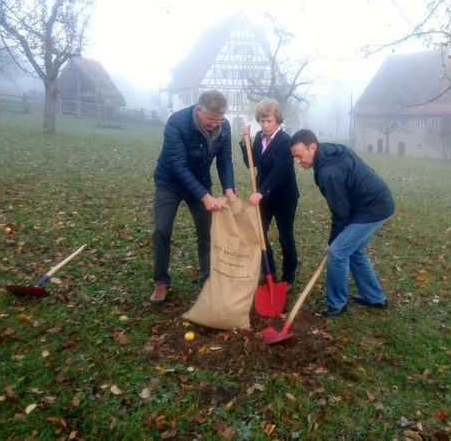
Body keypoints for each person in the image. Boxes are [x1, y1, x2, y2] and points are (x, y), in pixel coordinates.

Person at [289, 129, 395, 316]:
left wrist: (332, 243)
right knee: (354, 251)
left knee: (338, 253)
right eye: (294, 157)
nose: (297, 162)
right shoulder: (329, 151)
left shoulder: (329, 172)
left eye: (299, 156)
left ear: (312, 147)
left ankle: (337, 303)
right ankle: (375, 297)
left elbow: (340, 212)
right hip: (371, 202)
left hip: (372, 208)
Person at [150, 90, 237, 304]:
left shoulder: (223, 127)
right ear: (198, 110)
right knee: (161, 230)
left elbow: (225, 161)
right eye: (209, 120)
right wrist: (204, 196)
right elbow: (178, 165)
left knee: (207, 231)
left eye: (219, 120)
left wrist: (229, 189)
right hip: (170, 183)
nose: (214, 125)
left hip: (201, 183)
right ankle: (161, 281)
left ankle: (208, 278)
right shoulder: (177, 123)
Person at [239, 98, 299, 286]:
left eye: (269, 121)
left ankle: (288, 278)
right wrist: (244, 142)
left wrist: (260, 192)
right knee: (259, 234)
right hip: (264, 197)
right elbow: (252, 163)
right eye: (262, 121)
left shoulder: (285, 141)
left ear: (278, 120)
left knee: (285, 237)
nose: (265, 125)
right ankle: (269, 272)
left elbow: (278, 172)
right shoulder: (259, 137)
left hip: (284, 198)